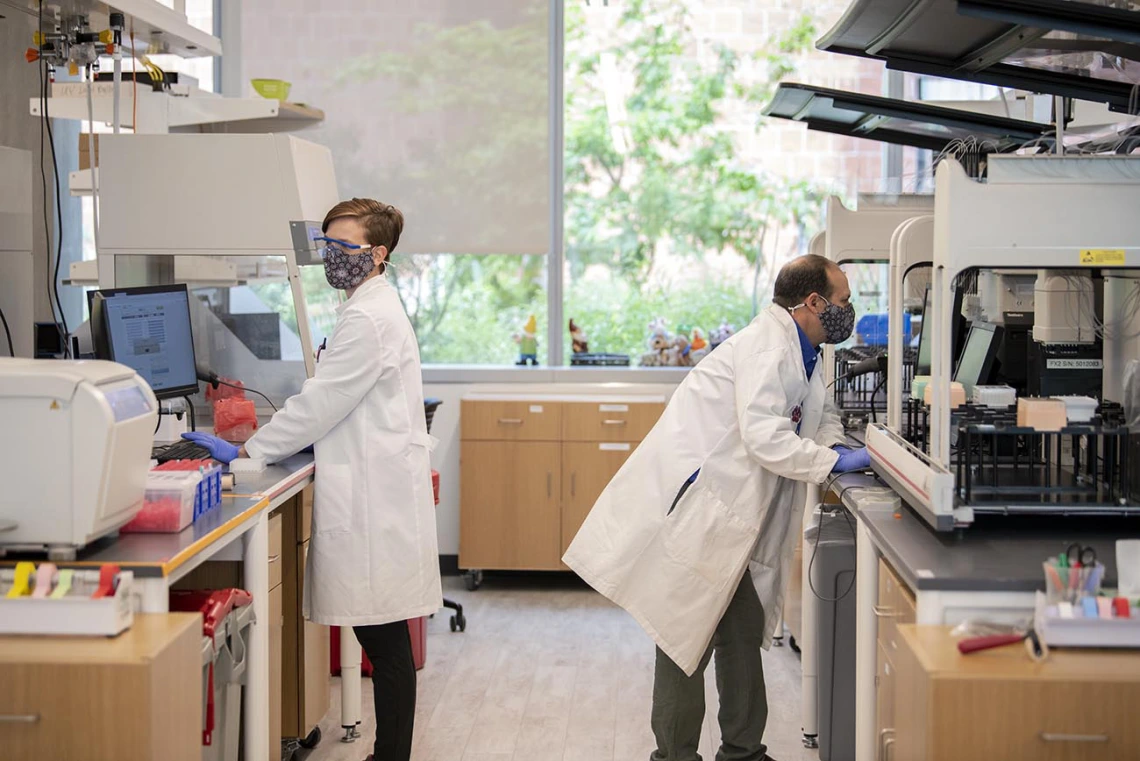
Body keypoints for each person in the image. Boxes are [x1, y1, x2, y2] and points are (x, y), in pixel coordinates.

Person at [563, 254, 870, 761]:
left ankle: (744, 751)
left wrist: (835, 447)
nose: (848, 309)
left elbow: (818, 414)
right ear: (812, 303)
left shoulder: (805, 351)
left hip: (741, 516)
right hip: (704, 515)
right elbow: (765, 438)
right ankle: (676, 755)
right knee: (686, 640)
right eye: (842, 301)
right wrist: (832, 464)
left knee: (742, 636)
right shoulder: (767, 350)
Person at [184, 199, 443, 761]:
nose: (331, 257)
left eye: (343, 247)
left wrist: (245, 449)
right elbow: (329, 400)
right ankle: (389, 754)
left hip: (376, 498)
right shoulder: (366, 309)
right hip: (376, 486)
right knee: (385, 635)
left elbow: (323, 403)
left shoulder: (370, 318)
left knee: (384, 638)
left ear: (376, 255)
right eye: (326, 245)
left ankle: (391, 756)